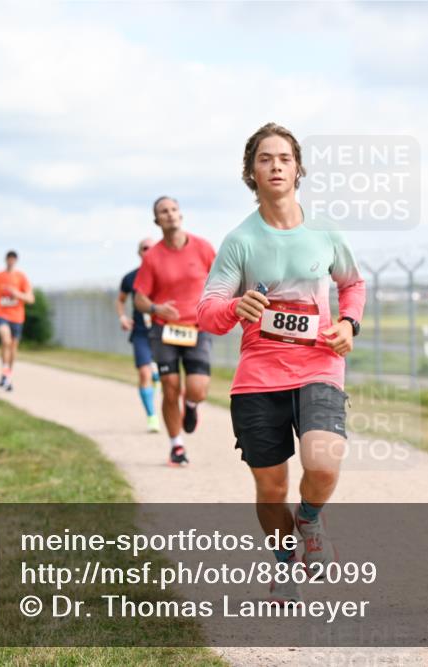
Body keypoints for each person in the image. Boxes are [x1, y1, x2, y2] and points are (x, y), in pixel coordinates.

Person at [198, 122, 365, 604]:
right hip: (259, 377)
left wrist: (349, 323)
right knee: (271, 490)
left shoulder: (325, 232)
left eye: (284, 158)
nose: (275, 166)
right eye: (265, 159)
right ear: (251, 171)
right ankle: (285, 562)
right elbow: (207, 312)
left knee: (323, 460)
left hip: (319, 365)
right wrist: (236, 307)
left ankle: (310, 518)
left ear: (298, 169)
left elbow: (353, 284)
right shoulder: (240, 241)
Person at [133, 197, 216, 466]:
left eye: (173, 210)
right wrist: (156, 308)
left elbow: (222, 280)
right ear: (157, 221)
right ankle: (176, 446)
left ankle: (191, 406)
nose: (169, 215)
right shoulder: (153, 257)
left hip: (197, 327)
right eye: (163, 212)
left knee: (198, 388)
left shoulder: (203, 248)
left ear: (181, 214)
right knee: (170, 388)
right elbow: (139, 298)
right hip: (164, 330)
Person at [117, 238, 162, 432]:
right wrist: (123, 317)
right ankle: (152, 416)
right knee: (144, 373)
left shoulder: (165, 274)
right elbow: (120, 300)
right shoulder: (130, 278)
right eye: (145, 248)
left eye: (152, 248)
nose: (149, 251)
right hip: (141, 333)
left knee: (164, 376)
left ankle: (157, 379)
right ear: (139, 253)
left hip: (162, 330)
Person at [0, 251, 34, 392]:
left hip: (17, 317)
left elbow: (31, 299)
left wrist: (17, 294)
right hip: (1, 314)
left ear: (16, 261)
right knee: (6, 340)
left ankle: (7, 377)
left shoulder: (21, 277)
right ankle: (5, 372)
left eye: (13, 259)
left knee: (13, 348)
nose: (10, 261)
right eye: (9, 259)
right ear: (5, 260)